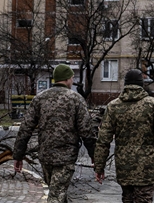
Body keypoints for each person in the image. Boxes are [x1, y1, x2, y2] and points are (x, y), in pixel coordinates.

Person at [13, 64, 96, 203]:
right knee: (56, 196)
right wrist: (95, 156)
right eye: (72, 77)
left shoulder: (40, 98)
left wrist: (18, 155)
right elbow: (86, 131)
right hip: (65, 157)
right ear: (68, 79)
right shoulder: (76, 99)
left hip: (46, 156)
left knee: (57, 193)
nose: (72, 80)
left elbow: (25, 128)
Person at [94, 69, 154, 203]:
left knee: (127, 199)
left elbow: (103, 140)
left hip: (124, 167)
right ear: (141, 84)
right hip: (145, 167)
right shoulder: (152, 105)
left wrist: (99, 167)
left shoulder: (113, 107)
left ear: (125, 84)